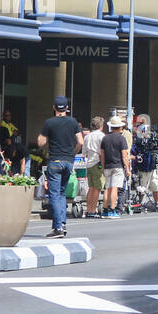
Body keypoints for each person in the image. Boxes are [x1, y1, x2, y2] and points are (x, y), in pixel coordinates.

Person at [38, 96, 83, 238]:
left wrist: (42, 136)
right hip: (69, 161)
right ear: (67, 108)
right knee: (62, 193)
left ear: (54, 108)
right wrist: (72, 153)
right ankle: (62, 224)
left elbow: (41, 143)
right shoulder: (73, 122)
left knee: (54, 195)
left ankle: (58, 227)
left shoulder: (49, 123)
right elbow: (80, 141)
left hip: (55, 161)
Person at [100, 116, 131, 218]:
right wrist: (127, 169)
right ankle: (112, 210)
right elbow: (124, 155)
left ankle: (105, 209)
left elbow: (102, 155)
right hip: (118, 166)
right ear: (120, 127)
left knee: (107, 188)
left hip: (107, 166)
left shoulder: (105, 138)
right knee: (114, 188)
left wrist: (103, 167)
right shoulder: (122, 139)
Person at [82, 116, 105, 218]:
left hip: (89, 163)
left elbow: (84, 152)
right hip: (97, 163)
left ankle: (88, 210)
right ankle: (93, 210)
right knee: (97, 188)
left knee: (91, 188)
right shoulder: (102, 136)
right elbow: (103, 152)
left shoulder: (87, 136)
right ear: (101, 125)